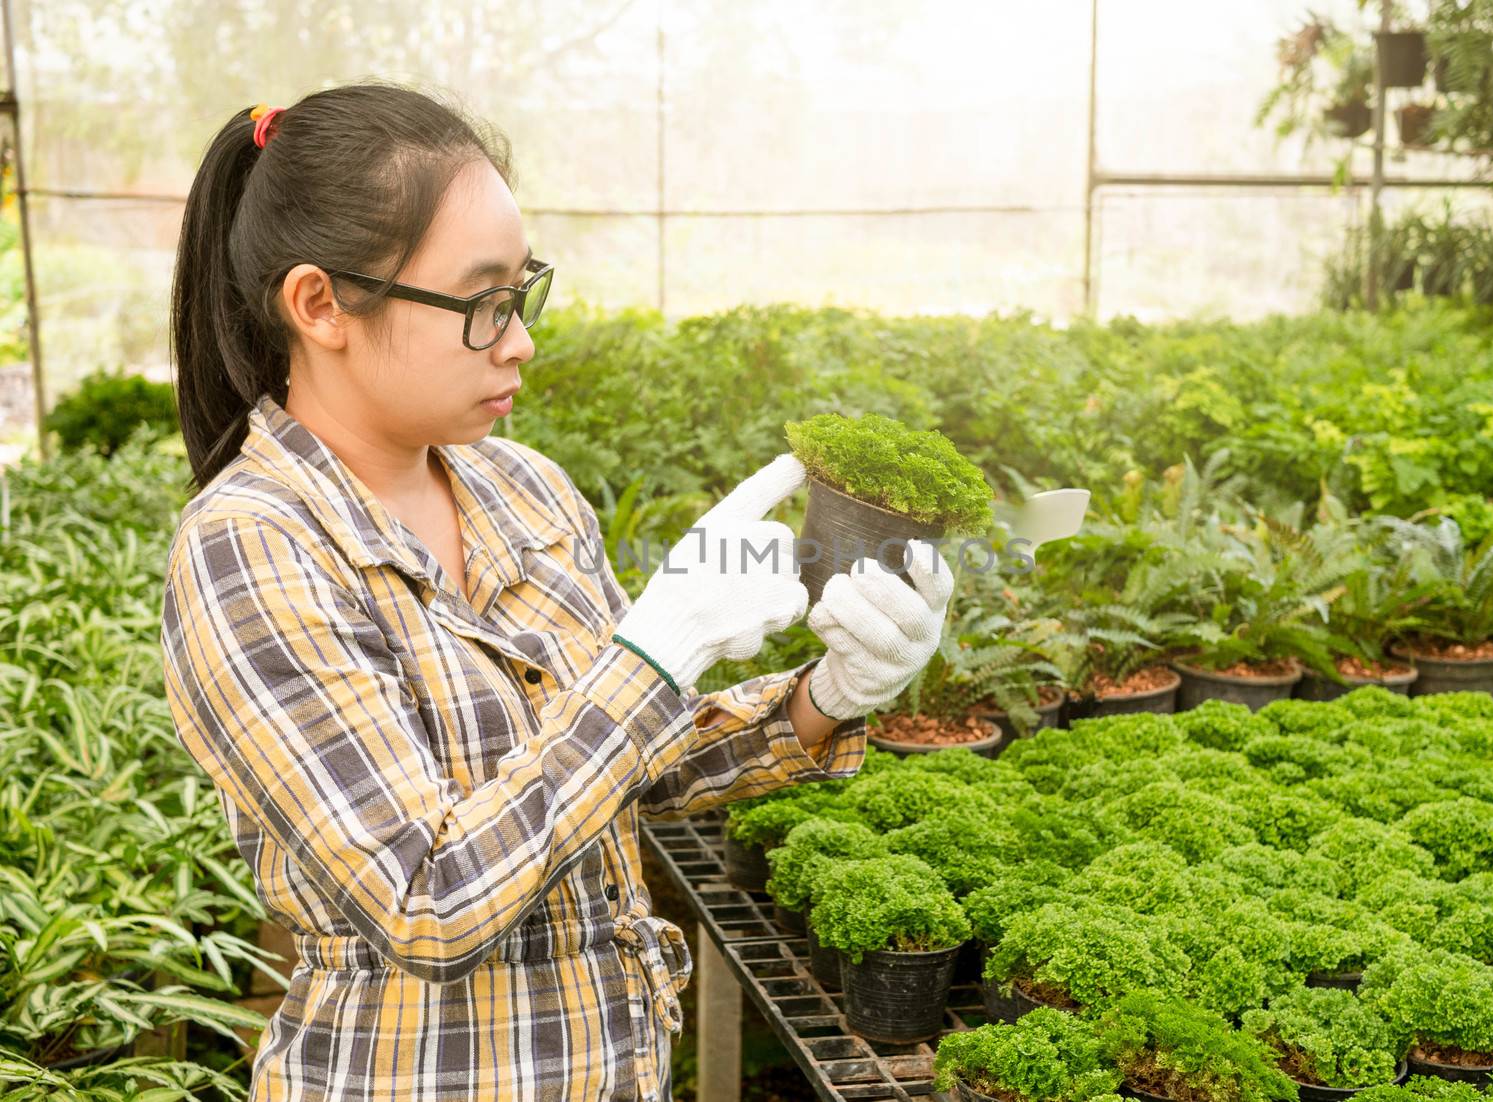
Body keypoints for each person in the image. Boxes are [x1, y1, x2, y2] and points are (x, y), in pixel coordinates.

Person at [159, 80, 955, 1101]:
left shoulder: (523, 489)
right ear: (320, 305)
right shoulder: (254, 546)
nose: (521, 339)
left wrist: (827, 695)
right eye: (483, 303)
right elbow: (426, 899)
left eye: (522, 291)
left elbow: (627, 774)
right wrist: (652, 655)